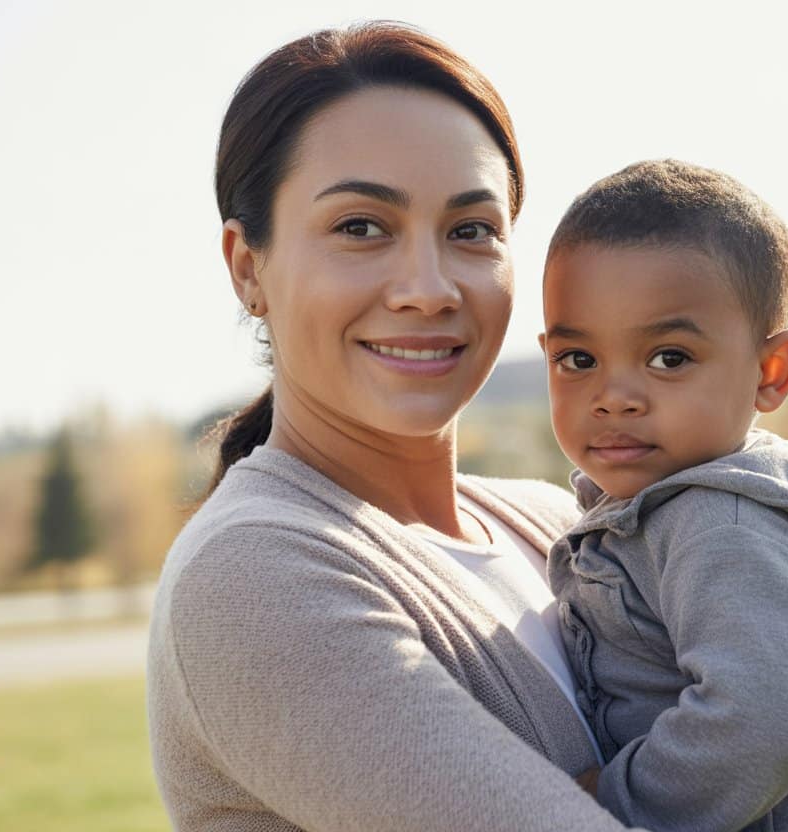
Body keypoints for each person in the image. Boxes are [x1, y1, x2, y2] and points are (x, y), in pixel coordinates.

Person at [146, 23, 640, 831]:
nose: (429, 288)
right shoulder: (252, 576)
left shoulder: (561, 523)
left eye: (471, 230)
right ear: (247, 267)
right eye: (361, 227)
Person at [540, 159, 788, 831]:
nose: (613, 397)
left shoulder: (722, 525)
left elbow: (763, 720)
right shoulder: (666, 510)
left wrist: (607, 804)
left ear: (771, 371)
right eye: (577, 360)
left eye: (668, 358)